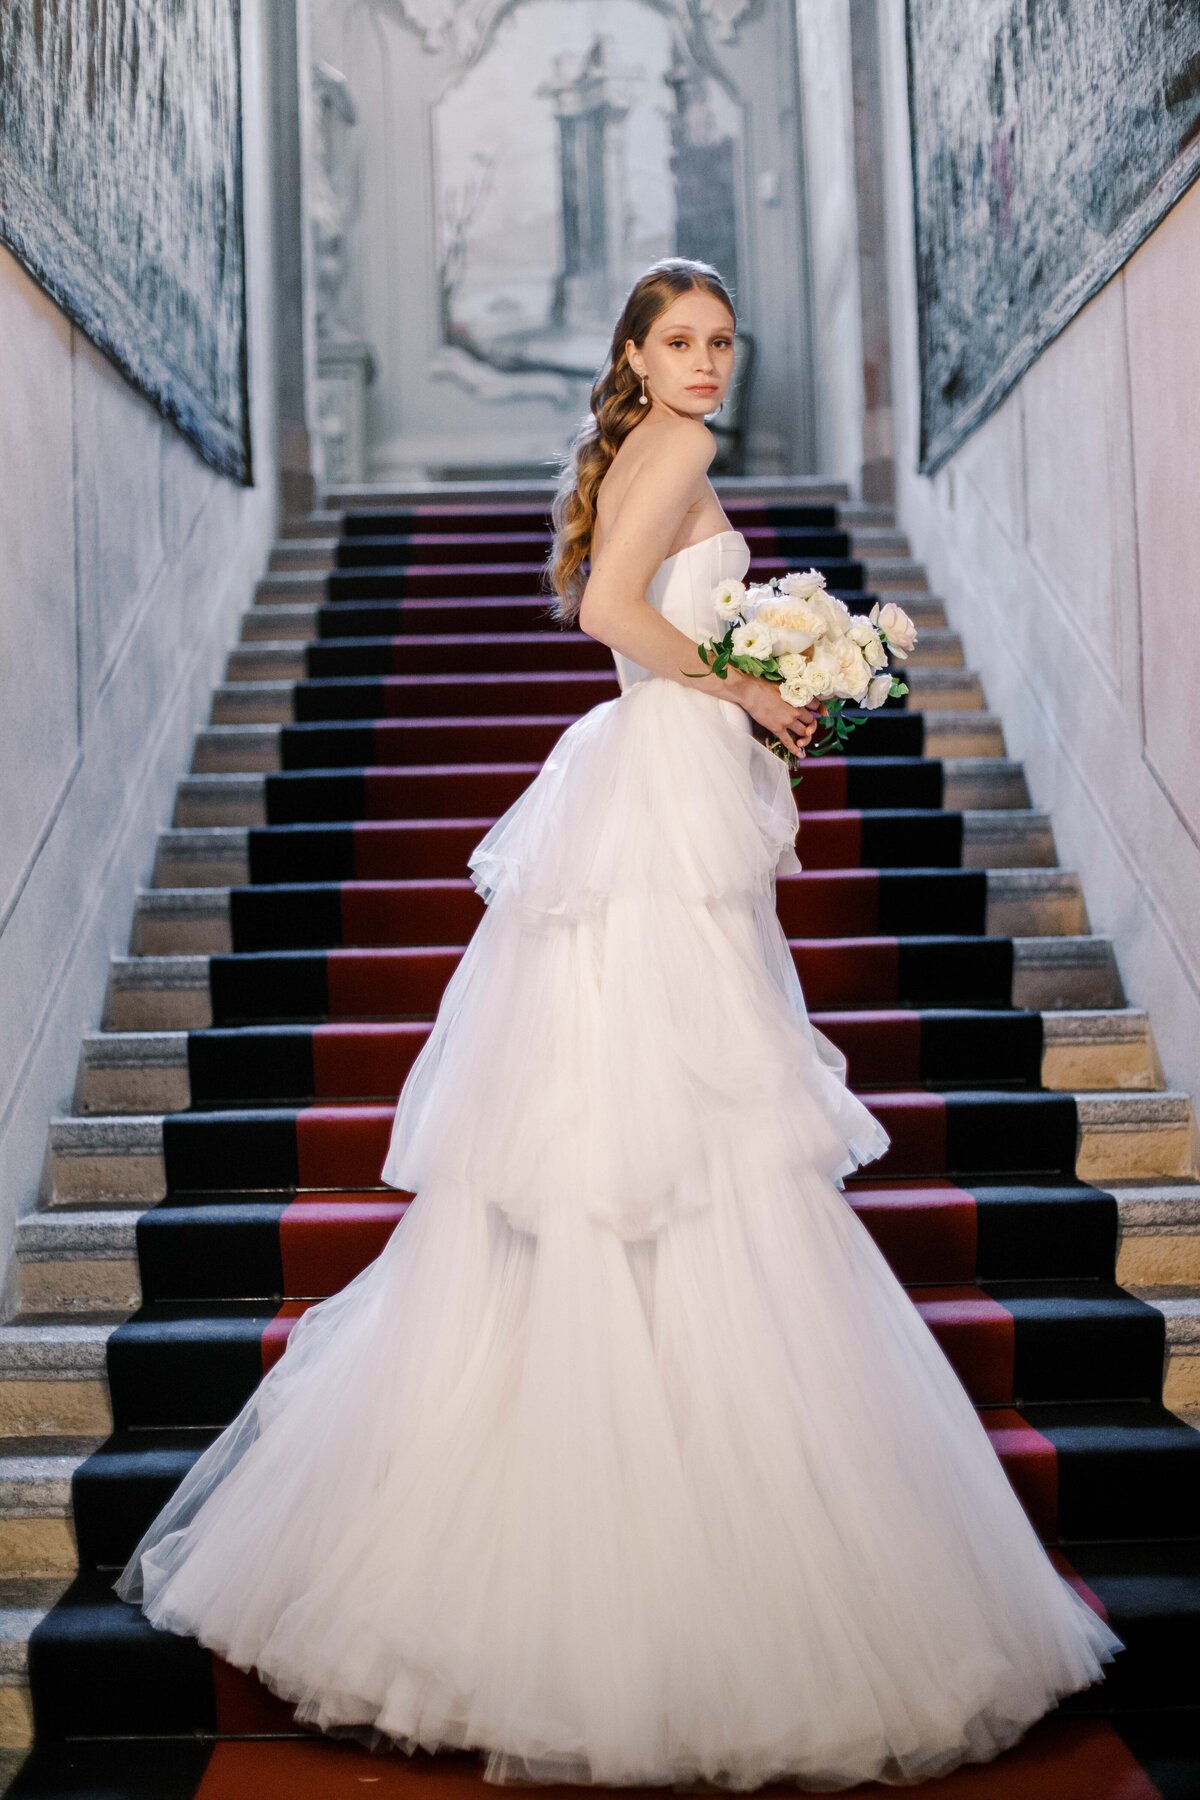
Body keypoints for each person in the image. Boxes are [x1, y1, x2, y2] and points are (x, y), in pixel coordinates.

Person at [115, 256, 1123, 1790]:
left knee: (672, 1125)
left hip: (655, 789)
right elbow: (609, 610)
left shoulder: (650, 449)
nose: (711, 363)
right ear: (635, 357)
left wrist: (773, 681)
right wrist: (757, 690)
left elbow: (620, 607)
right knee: (688, 1128)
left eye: (725, 339)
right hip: (656, 798)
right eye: (682, 341)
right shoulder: (683, 450)